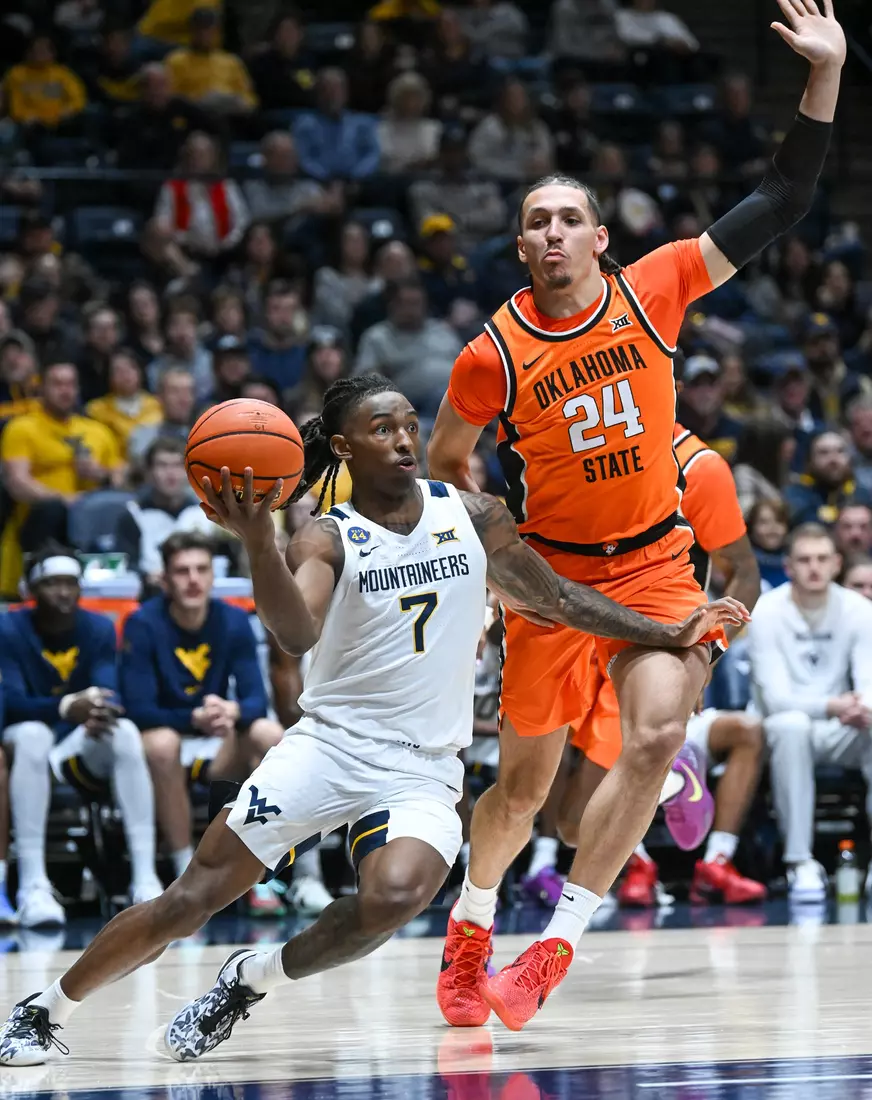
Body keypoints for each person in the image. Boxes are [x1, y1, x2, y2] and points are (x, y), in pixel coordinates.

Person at [0, 375, 745, 1065]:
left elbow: (556, 598)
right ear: (345, 446)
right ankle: (46, 1010)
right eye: (381, 427)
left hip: (422, 767)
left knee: (394, 897)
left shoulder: (474, 515)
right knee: (192, 899)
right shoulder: (326, 535)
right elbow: (295, 632)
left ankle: (250, 979)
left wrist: (665, 631)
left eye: (410, 425)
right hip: (327, 748)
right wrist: (260, 539)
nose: (402, 438)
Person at [427, 0, 845, 1030]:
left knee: (655, 738)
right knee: (520, 789)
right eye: (537, 219)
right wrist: (486, 573)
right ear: (520, 245)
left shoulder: (656, 286)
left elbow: (782, 195)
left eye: (571, 216)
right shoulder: (490, 354)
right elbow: (447, 469)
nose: (554, 230)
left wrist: (823, 74)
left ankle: (552, 946)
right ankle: (472, 923)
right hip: (552, 581)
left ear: (600, 239)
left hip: (654, 567)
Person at [557, 418, 764, 907]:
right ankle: (672, 780)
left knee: (584, 823)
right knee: (569, 825)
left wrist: (707, 654)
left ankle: (672, 768)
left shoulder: (700, 468)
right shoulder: (580, 444)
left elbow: (746, 574)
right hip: (581, 632)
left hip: (650, 649)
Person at [0, 546, 162, 928]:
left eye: (70, 583)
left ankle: (145, 879)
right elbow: (11, 704)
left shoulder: (99, 627)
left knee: (122, 731)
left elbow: (107, 690)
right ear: (30, 590)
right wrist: (65, 707)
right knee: (33, 735)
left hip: (76, 742)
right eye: (52, 583)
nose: (63, 593)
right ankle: (33, 886)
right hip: (28, 742)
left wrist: (98, 709)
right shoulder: (9, 628)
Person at [118, 530, 283, 886]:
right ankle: (184, 869)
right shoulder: (143, 623)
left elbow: (256, 699)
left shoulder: (234, 620)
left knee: (270, 734)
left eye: (201, 569)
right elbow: (137, 709)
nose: (193, 579)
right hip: (167, 745)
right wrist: (192, 717)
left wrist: (232, 712)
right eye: (182, 571)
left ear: (213, 575)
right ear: (164, 579)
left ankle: (280, 871)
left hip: (217, 748)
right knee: (160, 742)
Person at [748, 523, 872, 902]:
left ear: (837, 564)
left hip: (839, 727)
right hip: (780, 731)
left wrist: (863, 707)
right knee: (791, 725)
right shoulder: (766, 610)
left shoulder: (858, 609)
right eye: (804, 560)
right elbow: (775, 698)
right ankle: (800, 862)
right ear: (788, 567)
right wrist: (832, 705)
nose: (813, 568)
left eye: (821, 559)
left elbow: (868, 679)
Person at [0, 361, 125, 599]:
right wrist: (66, 500)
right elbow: (17, 483)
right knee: (52, 510)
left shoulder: (98, 431)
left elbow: (122, 479)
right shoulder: (21, 428)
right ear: (41, 388)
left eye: (70, 384)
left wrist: (102, 474)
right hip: (36, 533)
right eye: (57, 384)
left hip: (88, 535)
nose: (65, 390)